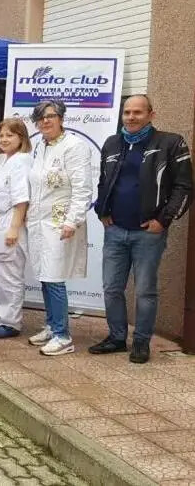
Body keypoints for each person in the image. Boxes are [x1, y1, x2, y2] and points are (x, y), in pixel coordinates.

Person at [90, 95, 192, 363]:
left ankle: (141, 342)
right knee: (111, 288)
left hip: (148, 233)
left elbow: (184, 186)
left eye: (137, 112)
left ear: (151, 115)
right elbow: (103, 181)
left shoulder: (170, 143)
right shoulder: (112, 143)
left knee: (145, 290)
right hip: (115, 231)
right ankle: (116, 338)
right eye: (127, 112)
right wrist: (102, 210)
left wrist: (164, 220)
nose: (131, 117)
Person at [25, 100, 92, 356]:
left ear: (61, 119)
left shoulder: (74, 146)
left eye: (50, 116)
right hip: (38, 221)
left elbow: (82, 188)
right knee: (44, 275)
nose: (45, 121)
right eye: (40, 118)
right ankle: (52, 325)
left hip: (60, 222)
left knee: (54, 277)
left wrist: (72, 221)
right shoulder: (40, 147)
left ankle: (63, 336)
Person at [0, 119, 33, 339]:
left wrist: (14, 228)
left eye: (9, 135)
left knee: (10, 278)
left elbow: (21, 199)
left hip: (10, 226)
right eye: (1, 135)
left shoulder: (21, 161)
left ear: (21, 138)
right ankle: (1, 318)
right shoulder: (7, 160)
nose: (4, 139)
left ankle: (11, 323)